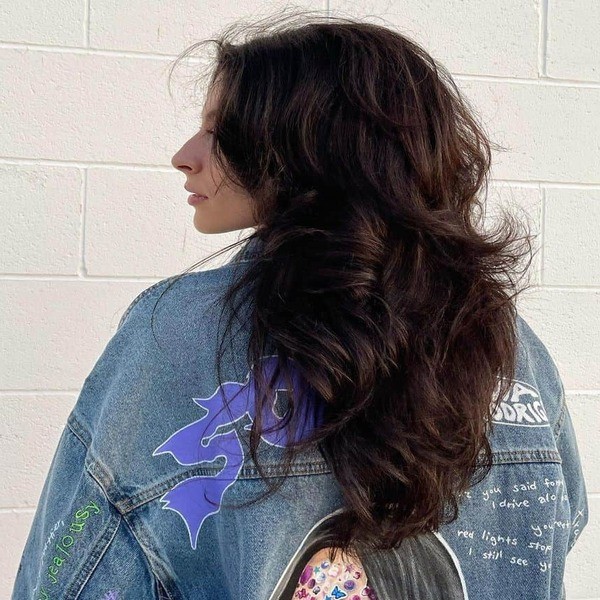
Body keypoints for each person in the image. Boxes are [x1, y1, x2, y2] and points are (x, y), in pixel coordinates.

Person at [11, 9, 588, 600]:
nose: (185, 155)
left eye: (220, 131)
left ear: (312, 149)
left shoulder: (178, 334)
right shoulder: (508, 345)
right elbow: (557, 535)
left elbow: (80, 570)